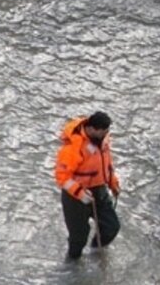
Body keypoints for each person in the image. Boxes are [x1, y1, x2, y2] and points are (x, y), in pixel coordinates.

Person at [54, 111, 121, 260]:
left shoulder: (102, 139)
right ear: (91, 129)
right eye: (103, 132)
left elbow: (106, 163)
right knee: (79, 237)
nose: (106, 135)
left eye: (107, 132)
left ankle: (95, 251)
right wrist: (80, 192)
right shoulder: (73, 147)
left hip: (99, 190)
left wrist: (113, 182)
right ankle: (72, 263)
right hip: (75, 197)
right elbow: (62, 177)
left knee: (111, 226)